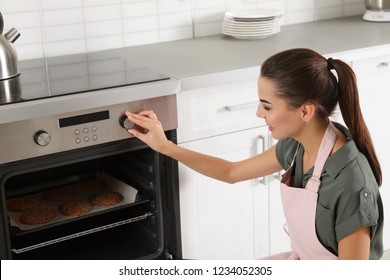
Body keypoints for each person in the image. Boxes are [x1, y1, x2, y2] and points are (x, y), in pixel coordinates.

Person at [125, 48, 383, 260]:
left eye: (267, 106)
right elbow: (232, 172)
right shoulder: (296, 145)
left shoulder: (350, 184)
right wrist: (165, 146)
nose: (259, 113)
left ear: (305, 112)